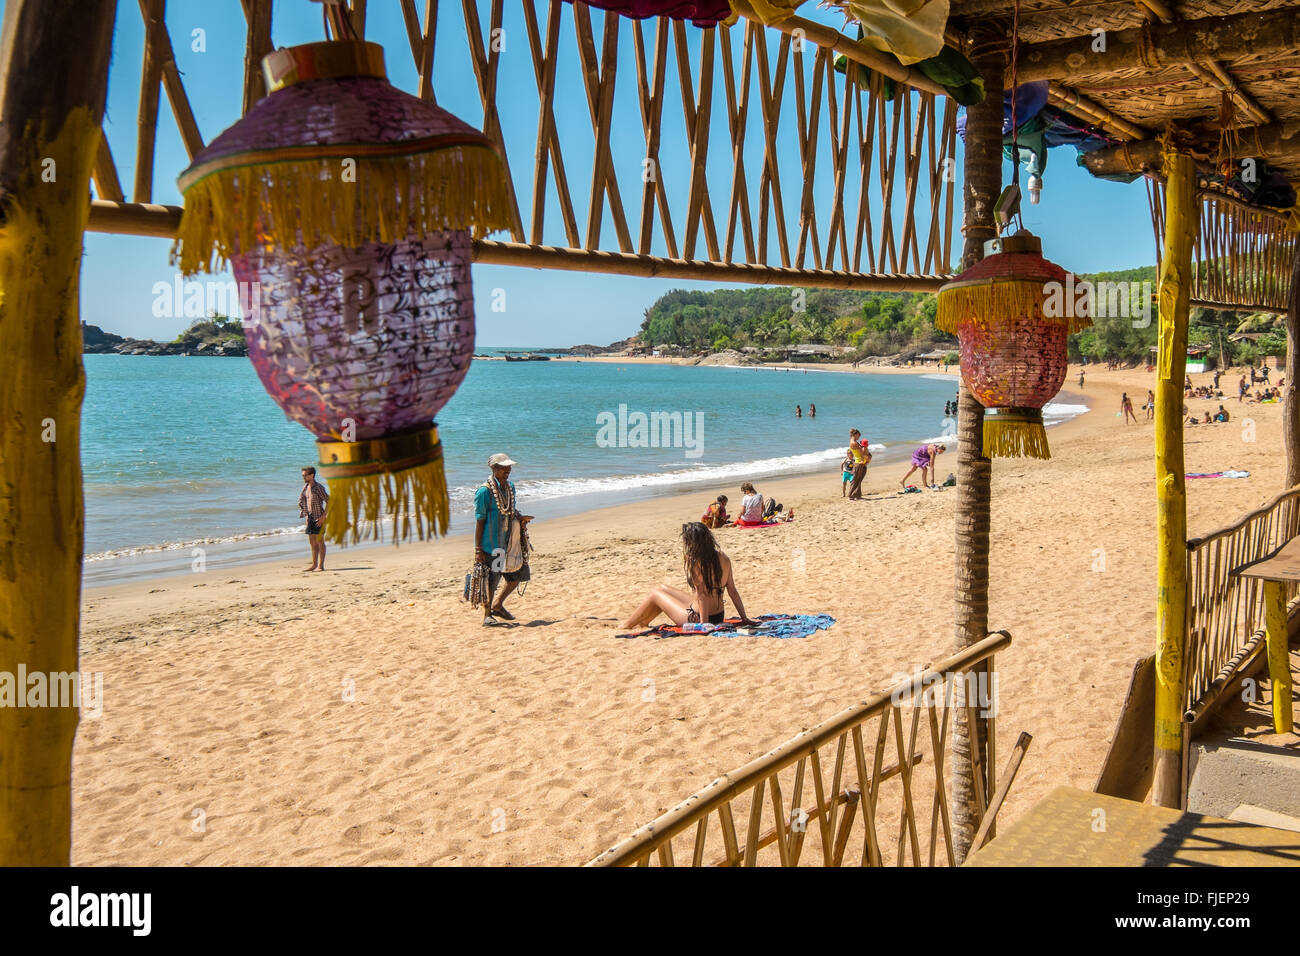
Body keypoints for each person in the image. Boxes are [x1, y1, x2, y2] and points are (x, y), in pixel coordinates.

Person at [623, 522, 752, 629]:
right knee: (663, 588)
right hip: (718, 614)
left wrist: (704, 625)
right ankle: (643, 623)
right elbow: (733, 591)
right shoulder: (723, 557)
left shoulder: (696, 561)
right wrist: (744, 618)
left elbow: (702, 595)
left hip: (696, 617)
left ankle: (627, 625)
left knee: (656, 594)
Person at [474, 453, 534, 626]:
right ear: (494, 469)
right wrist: (478, 549)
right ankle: (487, 616)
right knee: (492, 579)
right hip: (492, 544)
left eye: (509, 467)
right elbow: (480, 521)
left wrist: (520, 518)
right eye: (503, 467)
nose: (508, 470)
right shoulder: (484, 492)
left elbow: (509, 510)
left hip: (510, 541)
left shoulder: (510, 487)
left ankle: (498, 605)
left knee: (519, 575)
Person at [298, 466, 329, 572]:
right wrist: (306, 516)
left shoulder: (318, 487)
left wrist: (323, 517)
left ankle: (321, 566)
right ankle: (314, 564)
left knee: (320, 541)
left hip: (319, 517)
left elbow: (329, 501)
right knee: (312, 542)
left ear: (312, 475)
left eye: (305, 475)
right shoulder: (305, 487)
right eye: (303, 475)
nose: (304, 477)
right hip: (310, 517)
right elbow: (303, 502)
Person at [847, 429, 871, 500]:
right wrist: (868, 457)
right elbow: (862, 453)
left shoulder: (854, 442)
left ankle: (857, 495)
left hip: (860, 462)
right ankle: (851, 495)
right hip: (859, 462)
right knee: (856, 480)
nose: (859, 438)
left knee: (859, 479)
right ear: (855, 434)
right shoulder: (854, 443)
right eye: (858, 436)